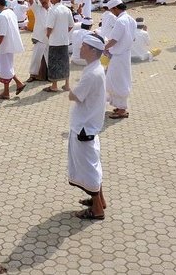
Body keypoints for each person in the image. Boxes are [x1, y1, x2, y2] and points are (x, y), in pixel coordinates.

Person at [67, 32, 108, 221]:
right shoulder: (95, 68)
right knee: (92, 164)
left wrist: (69, 88)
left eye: (84, 46)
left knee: (88, 168)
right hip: (89, 124)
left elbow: (75, 96)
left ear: (92, 50)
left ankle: (97, 209)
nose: (80, 48)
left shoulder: (92, 73)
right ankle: (100, 200)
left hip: (84, 127)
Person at [103, 0, 135, 118]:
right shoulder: (131, 19)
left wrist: (104, 48)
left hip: (118, 55)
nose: (112, 13)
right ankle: (119, 105)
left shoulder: (120, 21)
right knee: (116, 80)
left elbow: (114, 39)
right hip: (124, 54)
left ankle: (122, 109)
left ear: (116, 8)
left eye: (112, 10)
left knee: (118, 81)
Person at [0, 0, 26, 99]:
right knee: (7, 66)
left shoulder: (2, 15)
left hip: (4, 45)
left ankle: (7, 92)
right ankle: (18, 83)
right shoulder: (10, 12)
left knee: (4, 68)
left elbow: (2, 34)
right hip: (10, 44)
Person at [44, 0, 74, 93]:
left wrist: (48, 35)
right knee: (65, 62)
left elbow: (49, 26)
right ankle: (67, 84)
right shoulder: (67, 9)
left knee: (54, 62)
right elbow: (71, 25)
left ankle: (54, 85)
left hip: (55, 41)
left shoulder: (53, 10)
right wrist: (63, 32)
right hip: (64, 40)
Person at [26, 0, 50, 83]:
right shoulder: (38, 9)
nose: (43, 1)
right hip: (39, 38)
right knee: (36, 57)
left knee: (49, 58)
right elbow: (31, 0)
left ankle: (52, 77)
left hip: (50, 39)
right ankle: (33, 75)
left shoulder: (53, 10)